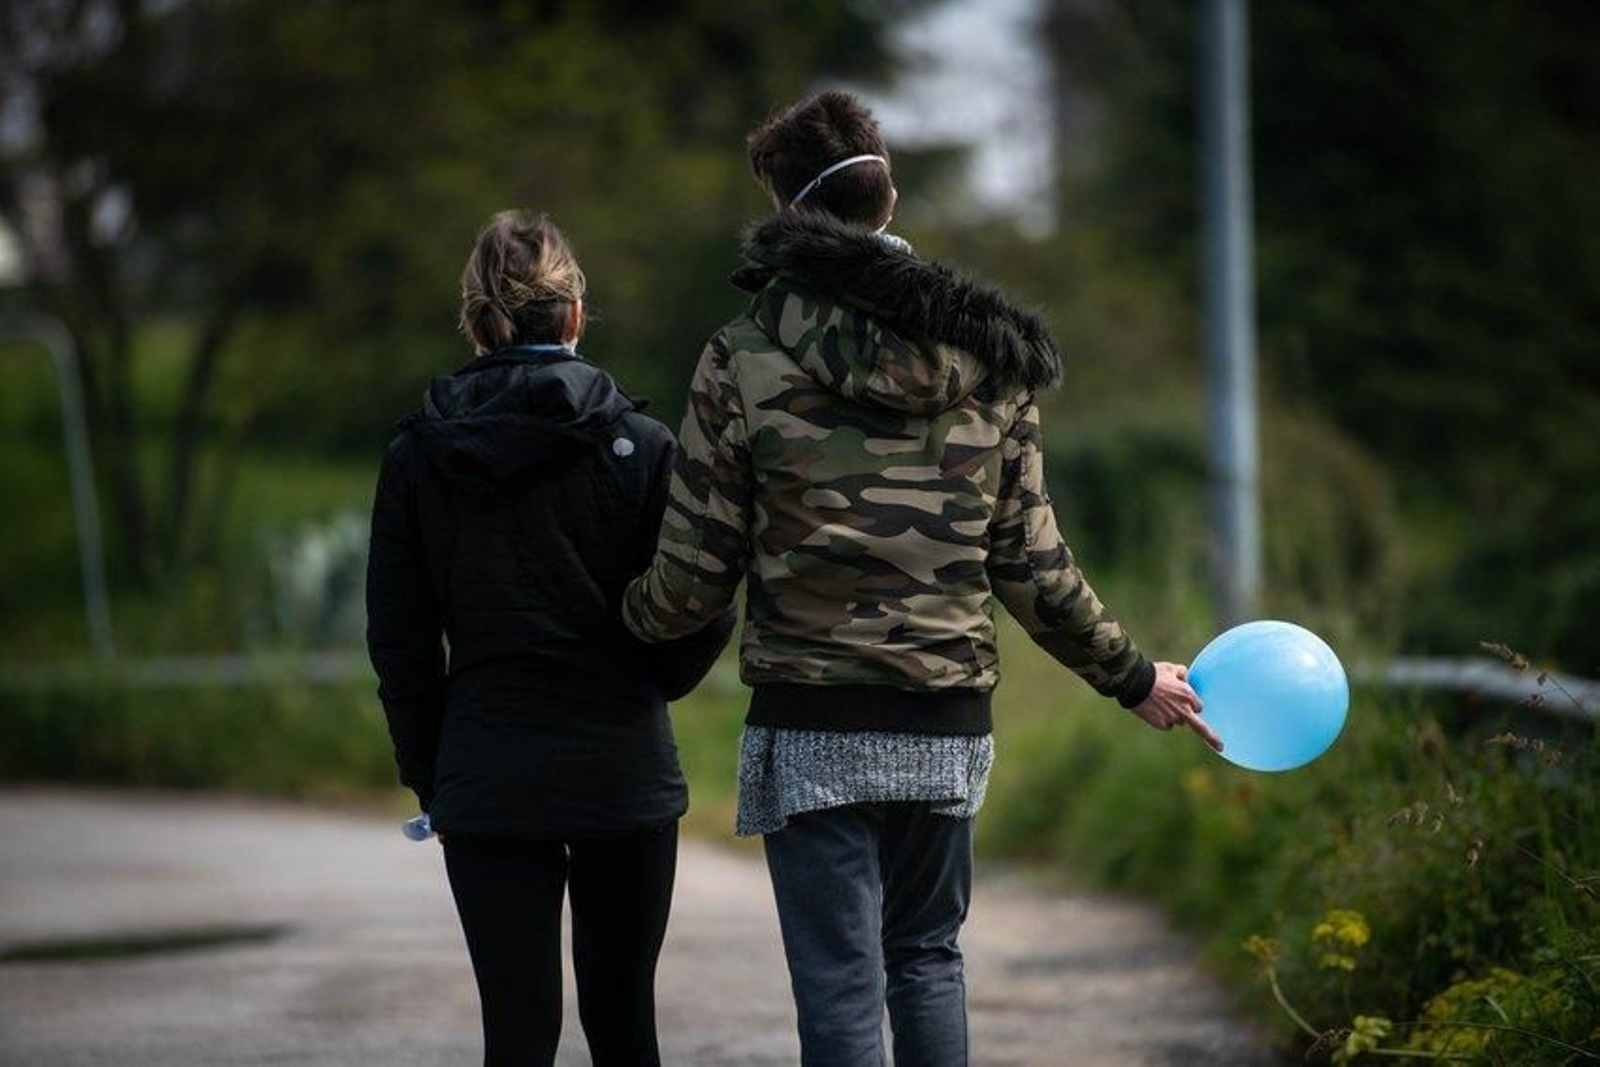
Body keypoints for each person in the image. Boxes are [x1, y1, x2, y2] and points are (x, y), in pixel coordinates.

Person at [620, 91, 1222, 1066]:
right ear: (888, 197)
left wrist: (624, 628)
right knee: (927, 958)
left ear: (784, 217)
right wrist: (1127, 674)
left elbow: (692, 573)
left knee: (839, 981)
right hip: (941, 720)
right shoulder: (992, 358)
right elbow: (1030, 560)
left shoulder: (743, 355)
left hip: (810, 720)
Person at [365, 210, 732, 1067]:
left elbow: (401, 643)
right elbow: (706, 592)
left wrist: (433, 771)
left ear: (477, 320)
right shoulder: (643, 449)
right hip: (623, 769)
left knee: (518, 1036)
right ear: (573, 316)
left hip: (488, 770)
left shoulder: (417, 457)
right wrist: (656, 682)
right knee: (625, 1027)